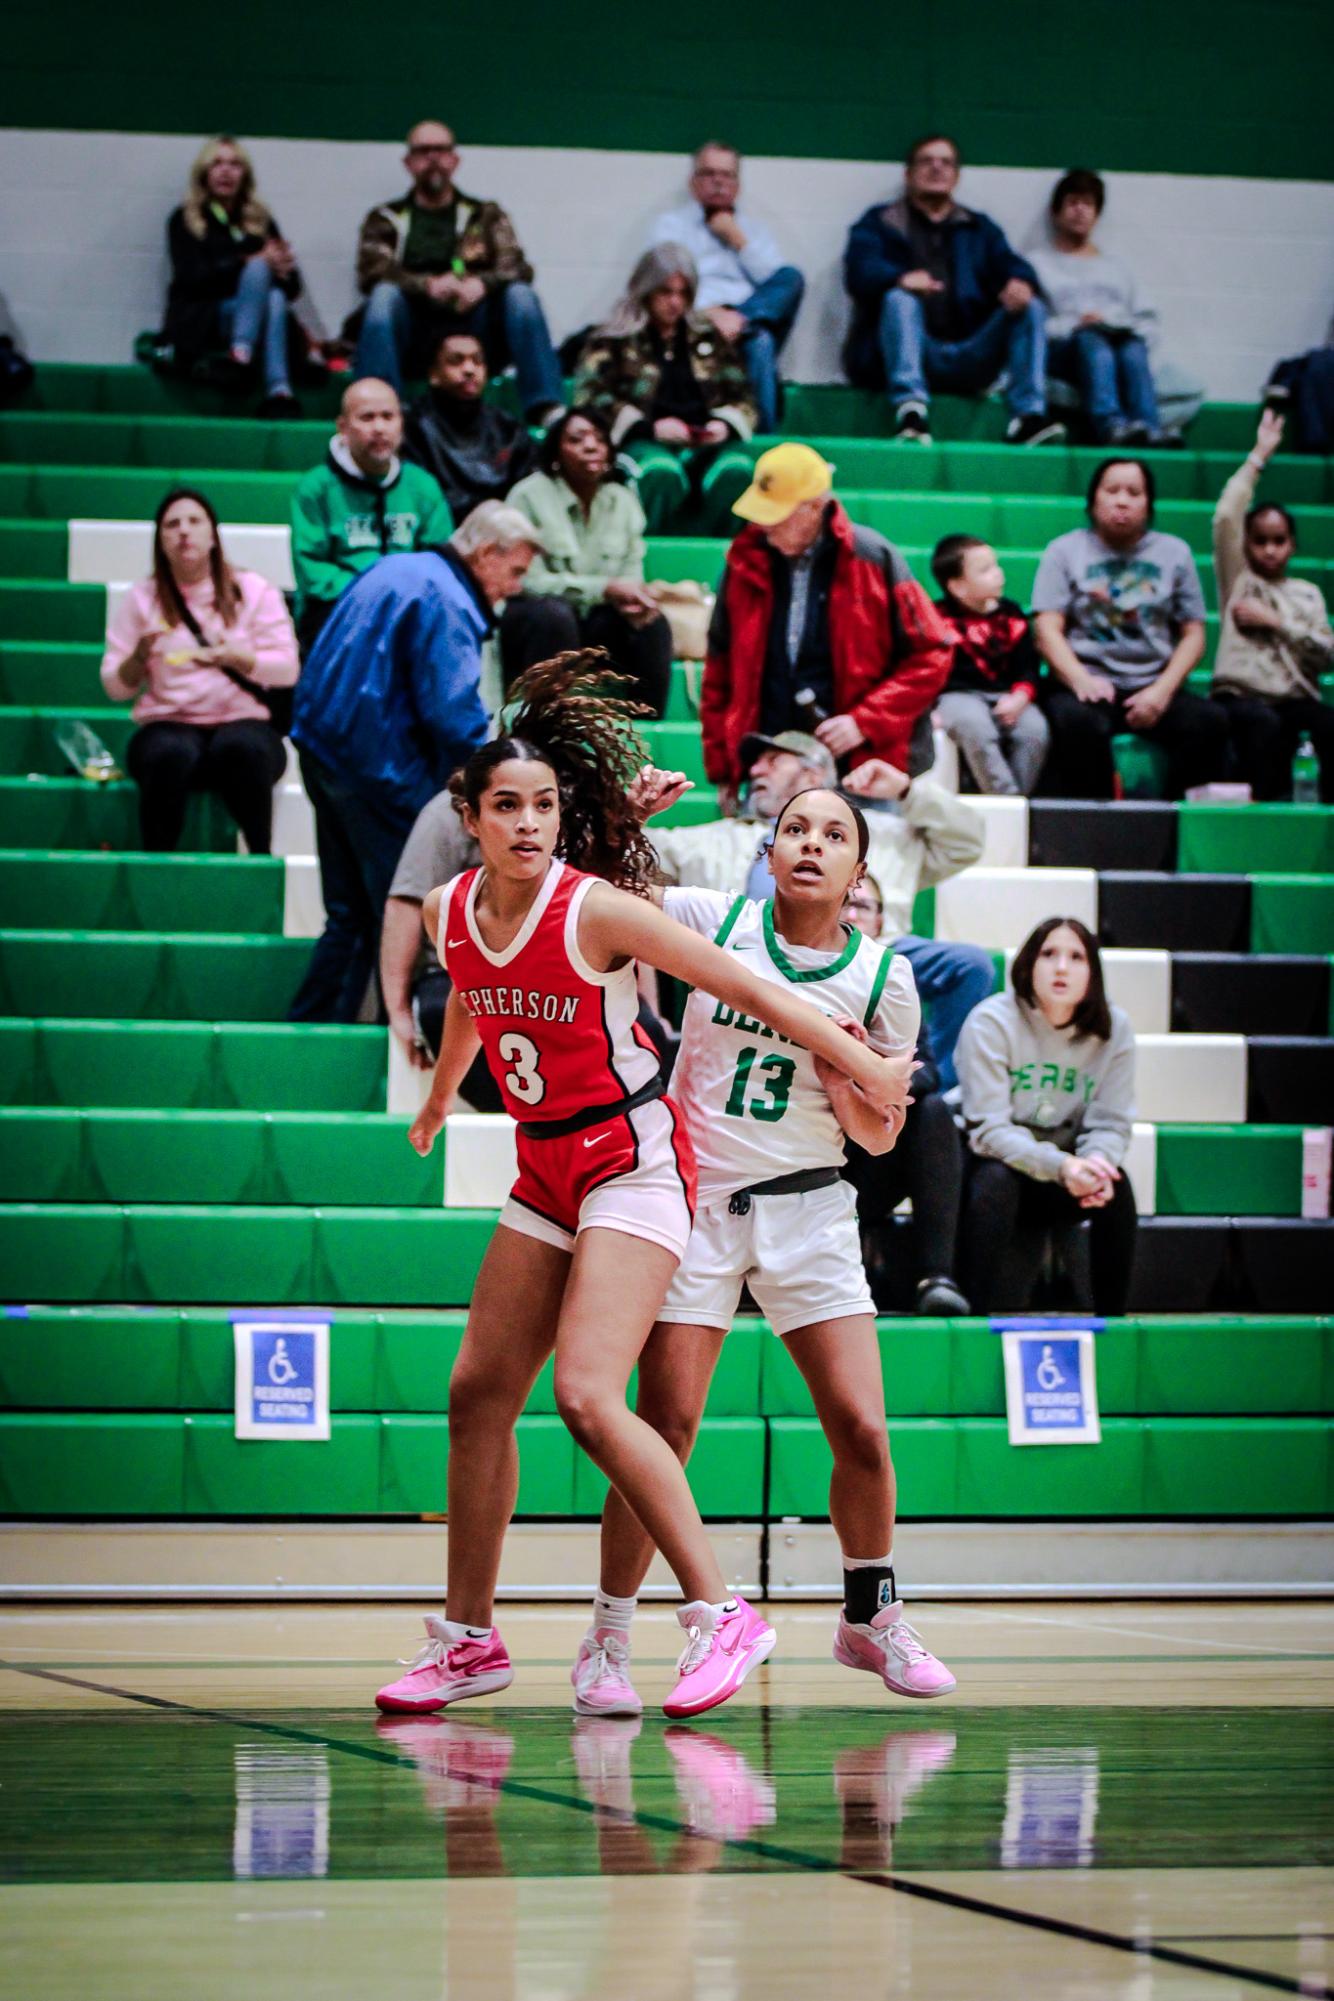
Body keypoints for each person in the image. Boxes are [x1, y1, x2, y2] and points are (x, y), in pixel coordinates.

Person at [371, 656, 913, 1720]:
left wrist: (873, 1068)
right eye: (506, 807)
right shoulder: (446, 908)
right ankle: (468, 1640)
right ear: (469, 818)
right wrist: (439, 1095)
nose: (527, 824)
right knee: (477, 1393)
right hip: (541, 1169)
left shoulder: (597, 912)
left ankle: (720, 1614)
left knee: (584, 1396)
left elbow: (750, 987)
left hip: (630, 1163)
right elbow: (473, 1000)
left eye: (544, 806)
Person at [570, 779, 955, 1721]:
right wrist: (624, 820)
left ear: (861, 868)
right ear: (768, 850)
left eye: (833, 833)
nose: (811, 844)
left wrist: (843, 1073)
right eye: (794, 829)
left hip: (812, 1211)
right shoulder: (715, 918)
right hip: (698, 1207)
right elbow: (594, 894)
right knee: (664, 1433)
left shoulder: (884, 977)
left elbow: (874, 1137)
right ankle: (609, 1637)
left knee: (862, 1427)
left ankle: (870, 1613)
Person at [287, 501, 538, 1024]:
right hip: (373, 771)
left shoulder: (400, 567)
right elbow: (454, 718)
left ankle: (310, 1029)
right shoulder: (446, 600)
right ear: (486, 554)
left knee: (348, 912)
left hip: (323, 751)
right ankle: (383, 1033)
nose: (514, 588)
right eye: (514, 571)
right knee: (389, 910)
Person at [648, 729, 992, 1092]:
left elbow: (967, 842)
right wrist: (634, 813)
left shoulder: (883, 833)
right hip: (752, 955)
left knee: (970, 965)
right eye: (794, 831)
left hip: (872, 948)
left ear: (813, 775)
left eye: (774, 761)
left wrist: (906, 790)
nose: (756, 772)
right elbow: (638, 858)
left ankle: (936, 1091)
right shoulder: (717, 837)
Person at [701, 443, 954, 801]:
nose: (763, 524)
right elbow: (719, 671)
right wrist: (723, 769)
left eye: (776, 513)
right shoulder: (743, 562)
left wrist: (864, 721)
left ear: (816, 507)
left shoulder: (873, 557)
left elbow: (933, 653)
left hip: (865, 772)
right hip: (766, 775)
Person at [955, 917, 1138, 1315]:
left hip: (1062, 1173)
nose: (1061, 968)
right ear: (1027, 964)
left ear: (1093, 973)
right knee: (996, 1180)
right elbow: (987, 1130)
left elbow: (1111, 1122)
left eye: (1076, 957)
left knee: (1116, 1189)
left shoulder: (1115, 1029)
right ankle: (972, 1320)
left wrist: (1097, 1164)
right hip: (991, 1165)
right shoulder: (991, 1022)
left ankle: (1113, 1324)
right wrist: (1061, 1167)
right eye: (1049, 954)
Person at [100, 487, 297, 852]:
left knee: (243, 748)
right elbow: (116, 687)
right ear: (160, 540)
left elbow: (287, 670)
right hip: (170, 724)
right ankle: (156, 868)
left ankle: (258, 861)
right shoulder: (143, 598)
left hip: (244, 722)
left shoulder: (253, 590)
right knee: (168, 754)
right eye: (172, 524)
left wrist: (240, 659)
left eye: (194, 521)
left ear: (213, 535)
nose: (184, 531)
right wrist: (139, 655)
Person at [843, 134, 1063, 447]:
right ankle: (911, 411)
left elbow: (1012, 264)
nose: (937, 168)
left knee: (1031, 306)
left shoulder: (979, 228)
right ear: (908, 174)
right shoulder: (880, 223)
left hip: (969, 354)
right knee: (899, 299)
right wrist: (899, 278)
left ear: (956, 176)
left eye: (946, 162)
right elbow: (859, 271)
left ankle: (1028, 418)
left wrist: (1020, 282)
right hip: (906, 354)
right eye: (926, 161)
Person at [1033, 458, 1227, 799]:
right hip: (1087, 682)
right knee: (1076, 723)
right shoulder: (1064, 551)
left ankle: (1176, 828)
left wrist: (1162, 691)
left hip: (1153, 683)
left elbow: (1194, 633)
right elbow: (1047, 628)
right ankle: (1096, 830)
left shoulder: (1175, 553)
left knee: (1208, 722)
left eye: (1134, 493)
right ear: (1093, 501)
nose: (1122, 500)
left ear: (1148, 504)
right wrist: (1080, 680)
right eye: (1112, 491)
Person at [350, 119, 564, 422]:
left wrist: (481, 284)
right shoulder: (386, 217)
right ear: (409, 162)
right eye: (424, 151)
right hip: (417, 330)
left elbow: (517, 267)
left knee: (521, 296)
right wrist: (428, 285)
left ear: (455, 159)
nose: (433, 159)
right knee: (383, 297)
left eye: (441, 150)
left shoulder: (485, 214)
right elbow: (372, 271)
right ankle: (378, 408)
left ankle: (547, 408)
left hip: (476, 325)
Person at [841, 873, 969, 1315]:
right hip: (813, 1149)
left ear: (880, 923)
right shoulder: (801, 974)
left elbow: (930, 1070)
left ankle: (937, 1277)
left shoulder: (894, 982)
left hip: (873, 1155)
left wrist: (884, 1082)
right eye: (847, 903)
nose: (855, 913)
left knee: (933, 1111)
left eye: (867, 907)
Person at [501, 408, 672, 716]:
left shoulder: (622, 500)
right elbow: (524, 582)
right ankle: (543, 717)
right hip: (540, 617)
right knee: (555, 617)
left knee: (652, 623)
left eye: (599, 439)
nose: (591, 446)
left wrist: (634, 601)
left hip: (597, 621)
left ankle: (646, 723)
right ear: (556, 451)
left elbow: (632, 571)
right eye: (577, 440)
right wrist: (603, 588)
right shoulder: (528, 496)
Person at [573, 246, 756, 533]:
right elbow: (590, 399)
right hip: (641, 440)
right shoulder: (612, 339)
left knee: (737, 471)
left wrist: (724, 426)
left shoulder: (708, 336)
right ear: (646, 290)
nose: (674, 302)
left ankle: (723, 560)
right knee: (659, 472)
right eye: (665, 292)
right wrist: (650, 429)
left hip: (705, 442)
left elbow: (742, 394)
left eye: (683, 294)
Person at [1210, 410, 1334, 800]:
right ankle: (1262, 815)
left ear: (1292, 545)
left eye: (1278, 540)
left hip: (1295, 699)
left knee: (1327, 725)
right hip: (1242, 697)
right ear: (1247, 544)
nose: (1269, 549)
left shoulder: (1307, 594)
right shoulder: (1239, 580)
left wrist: (1278, 622)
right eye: (1259, 540)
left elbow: (1328, 655)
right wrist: (1258, 457)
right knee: (1261, 724)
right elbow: (1227, 516)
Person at [648, 142, 805, 433]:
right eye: (709, 174)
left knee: (790, 279)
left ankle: (760, 440)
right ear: (693, 182)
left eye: (727, 175)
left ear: (738, 184)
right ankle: (761, 433)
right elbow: (662, 284)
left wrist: (737, 239)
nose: (718, 182)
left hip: (745, 323)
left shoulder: (754, 230)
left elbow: (776, 282)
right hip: (693, 320)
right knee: (760, 341)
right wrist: (708, 314)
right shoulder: (671, 225)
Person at [290, 378, 453, 652]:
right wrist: (373, 593)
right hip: (339, 607)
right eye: (367, 418)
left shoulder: (423, 486)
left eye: (388, 417)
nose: (379, 428)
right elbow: (313, 571)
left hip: (409, 604)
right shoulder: (314, 489)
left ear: (401, 423)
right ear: (343, 427)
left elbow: (441, 560)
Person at [161, 136, 304, 416]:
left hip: (256, 313)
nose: (225, 171)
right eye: (217, 164)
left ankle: (276, 391)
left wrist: (282, 270)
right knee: (259, 270)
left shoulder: (260, 220)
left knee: (275, 296)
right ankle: (250, 363)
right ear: (204, 173)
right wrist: (250, 264)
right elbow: (192, 278)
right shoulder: (185, 219)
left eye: (234, 165)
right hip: (205, 316)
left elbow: (292, 288)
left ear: (245, 174)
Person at [1030, 169, 1173, 448]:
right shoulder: (1037, 264)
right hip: (1064, 351)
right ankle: (1110, 426)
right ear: (1056, 211)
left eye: (1088, 204)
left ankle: (1149, 427)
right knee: (1090, 338)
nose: (1080, 211)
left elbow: (1147, 322)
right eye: (1073, 203)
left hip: (1116, 345)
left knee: (1132, 346)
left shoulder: (1117, 267)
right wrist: (1076, 325)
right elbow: (1032, 326)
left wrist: (1113, 323)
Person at [931, 534, 1049, 795]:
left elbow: (1028, 665)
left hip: (1008, 695)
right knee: (975, 726)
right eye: (985, 570)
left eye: (996, 565)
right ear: (958, 587)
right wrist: (927, 710)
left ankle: (1016, 803)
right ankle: (1008, 803)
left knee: (1034, 729)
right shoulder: (936, 620)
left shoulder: (1012, 615)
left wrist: (1021, 696)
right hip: (956, 696)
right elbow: (926, 669)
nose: (998, 574)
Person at [402, 330, 538, 524]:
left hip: (504, 533)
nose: (469, 369)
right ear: (433, 374)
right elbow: (420, 493)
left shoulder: (507, 427)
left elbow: (528, 489)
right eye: (456, 361)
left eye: (477, 361)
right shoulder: (413, 425)